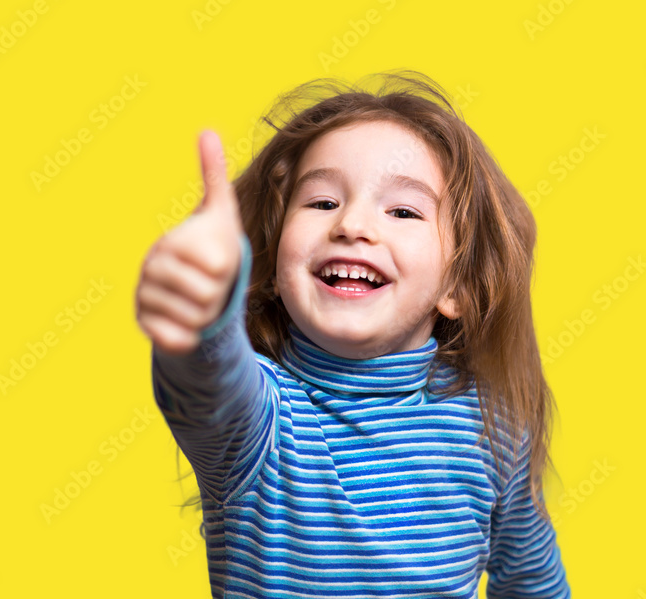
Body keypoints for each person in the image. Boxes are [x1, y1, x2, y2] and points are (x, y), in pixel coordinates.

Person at [135, 70, 570, 598]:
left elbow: (532, 580)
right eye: (322, 202)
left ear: (455, 285)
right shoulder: (260, 419)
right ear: (273, 261)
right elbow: (204, 380)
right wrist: (202, 310)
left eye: (403, 211)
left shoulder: (493, 427)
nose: (352, 225)